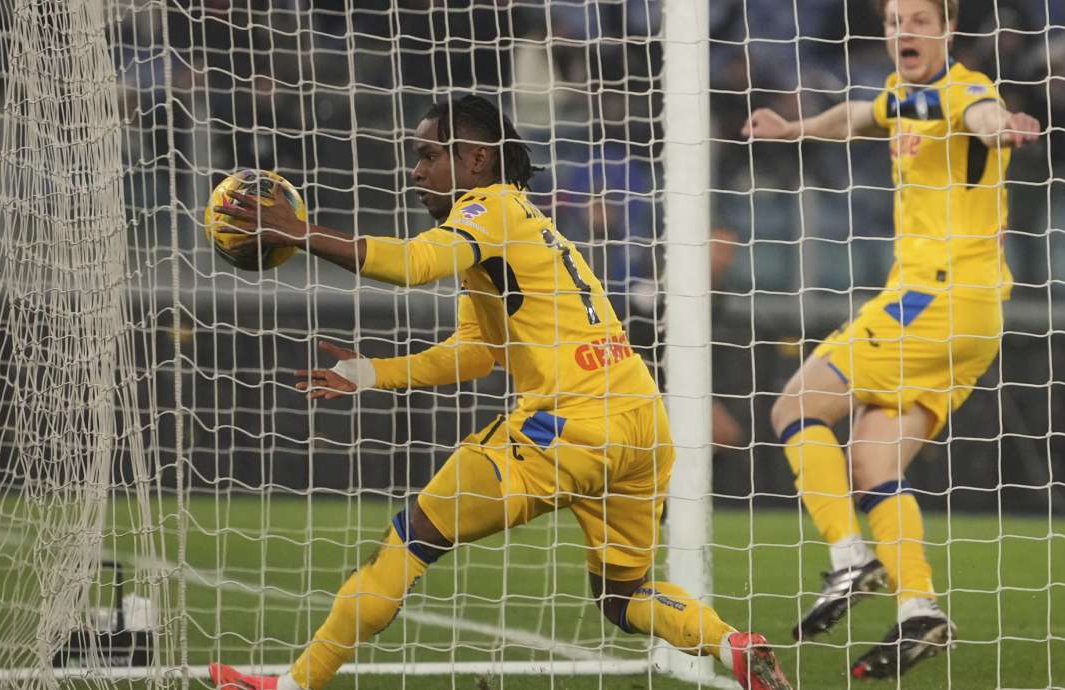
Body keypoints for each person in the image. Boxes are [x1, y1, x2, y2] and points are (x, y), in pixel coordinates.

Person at [208, 95, 792, 690]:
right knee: (623, 596)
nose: (417, 171)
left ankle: (292, 685)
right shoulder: (512, 227)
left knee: (409, 540)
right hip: (641, 424)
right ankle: (732, 645)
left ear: (477, 160)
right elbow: (475, 352)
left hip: (568, 425)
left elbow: (411, 264)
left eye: (429, 156)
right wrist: (372, 373)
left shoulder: (488, 210)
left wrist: (299, 232)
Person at [741, 0, 1039, 679]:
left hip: (934, 296)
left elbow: (982, 117)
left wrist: (1005, 128)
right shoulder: (902, 96)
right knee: (872, 463)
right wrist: (793, 127)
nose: (903, 31)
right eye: (892, 21)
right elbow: (854, 116)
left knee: (796, 407)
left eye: (919, 20)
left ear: (948, 29)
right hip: (973, 317)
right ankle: (919, 609)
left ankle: (850, 559)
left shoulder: (964, 89)